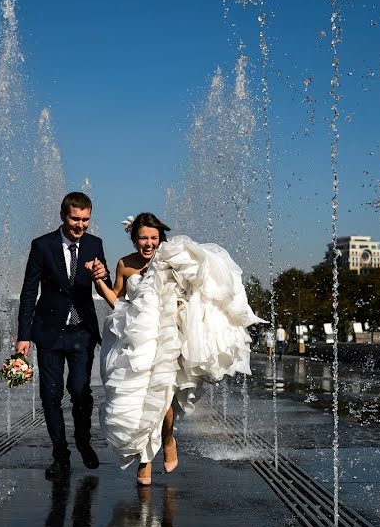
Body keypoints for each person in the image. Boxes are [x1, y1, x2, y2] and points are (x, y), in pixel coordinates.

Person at [89, 213, 264, 485]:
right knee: (140, 399)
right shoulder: (125, 264)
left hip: (170, 337)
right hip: (137, 341)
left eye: (154, 238)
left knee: (164, 396)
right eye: (143, 238)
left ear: (161, 238)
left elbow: (198, 286)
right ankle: (146, 456)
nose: (148, 243)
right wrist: (98, 282)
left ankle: (164, 443)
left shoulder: (171, 260)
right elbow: (118, 300)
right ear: (134, 238)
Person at [16, 192, 112, 480]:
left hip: (82, 332)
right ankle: (60, 454)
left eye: (85, 219)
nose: (80, 225)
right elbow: (29, 292)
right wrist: (23, 335)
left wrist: (102, 273)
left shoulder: (95, 244)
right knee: (51, 395)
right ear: (63, 216)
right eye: (75, 218)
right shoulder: (42, 246)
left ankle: (82, 439)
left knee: (81, 390)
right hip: (49, 333)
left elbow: (105, 286)